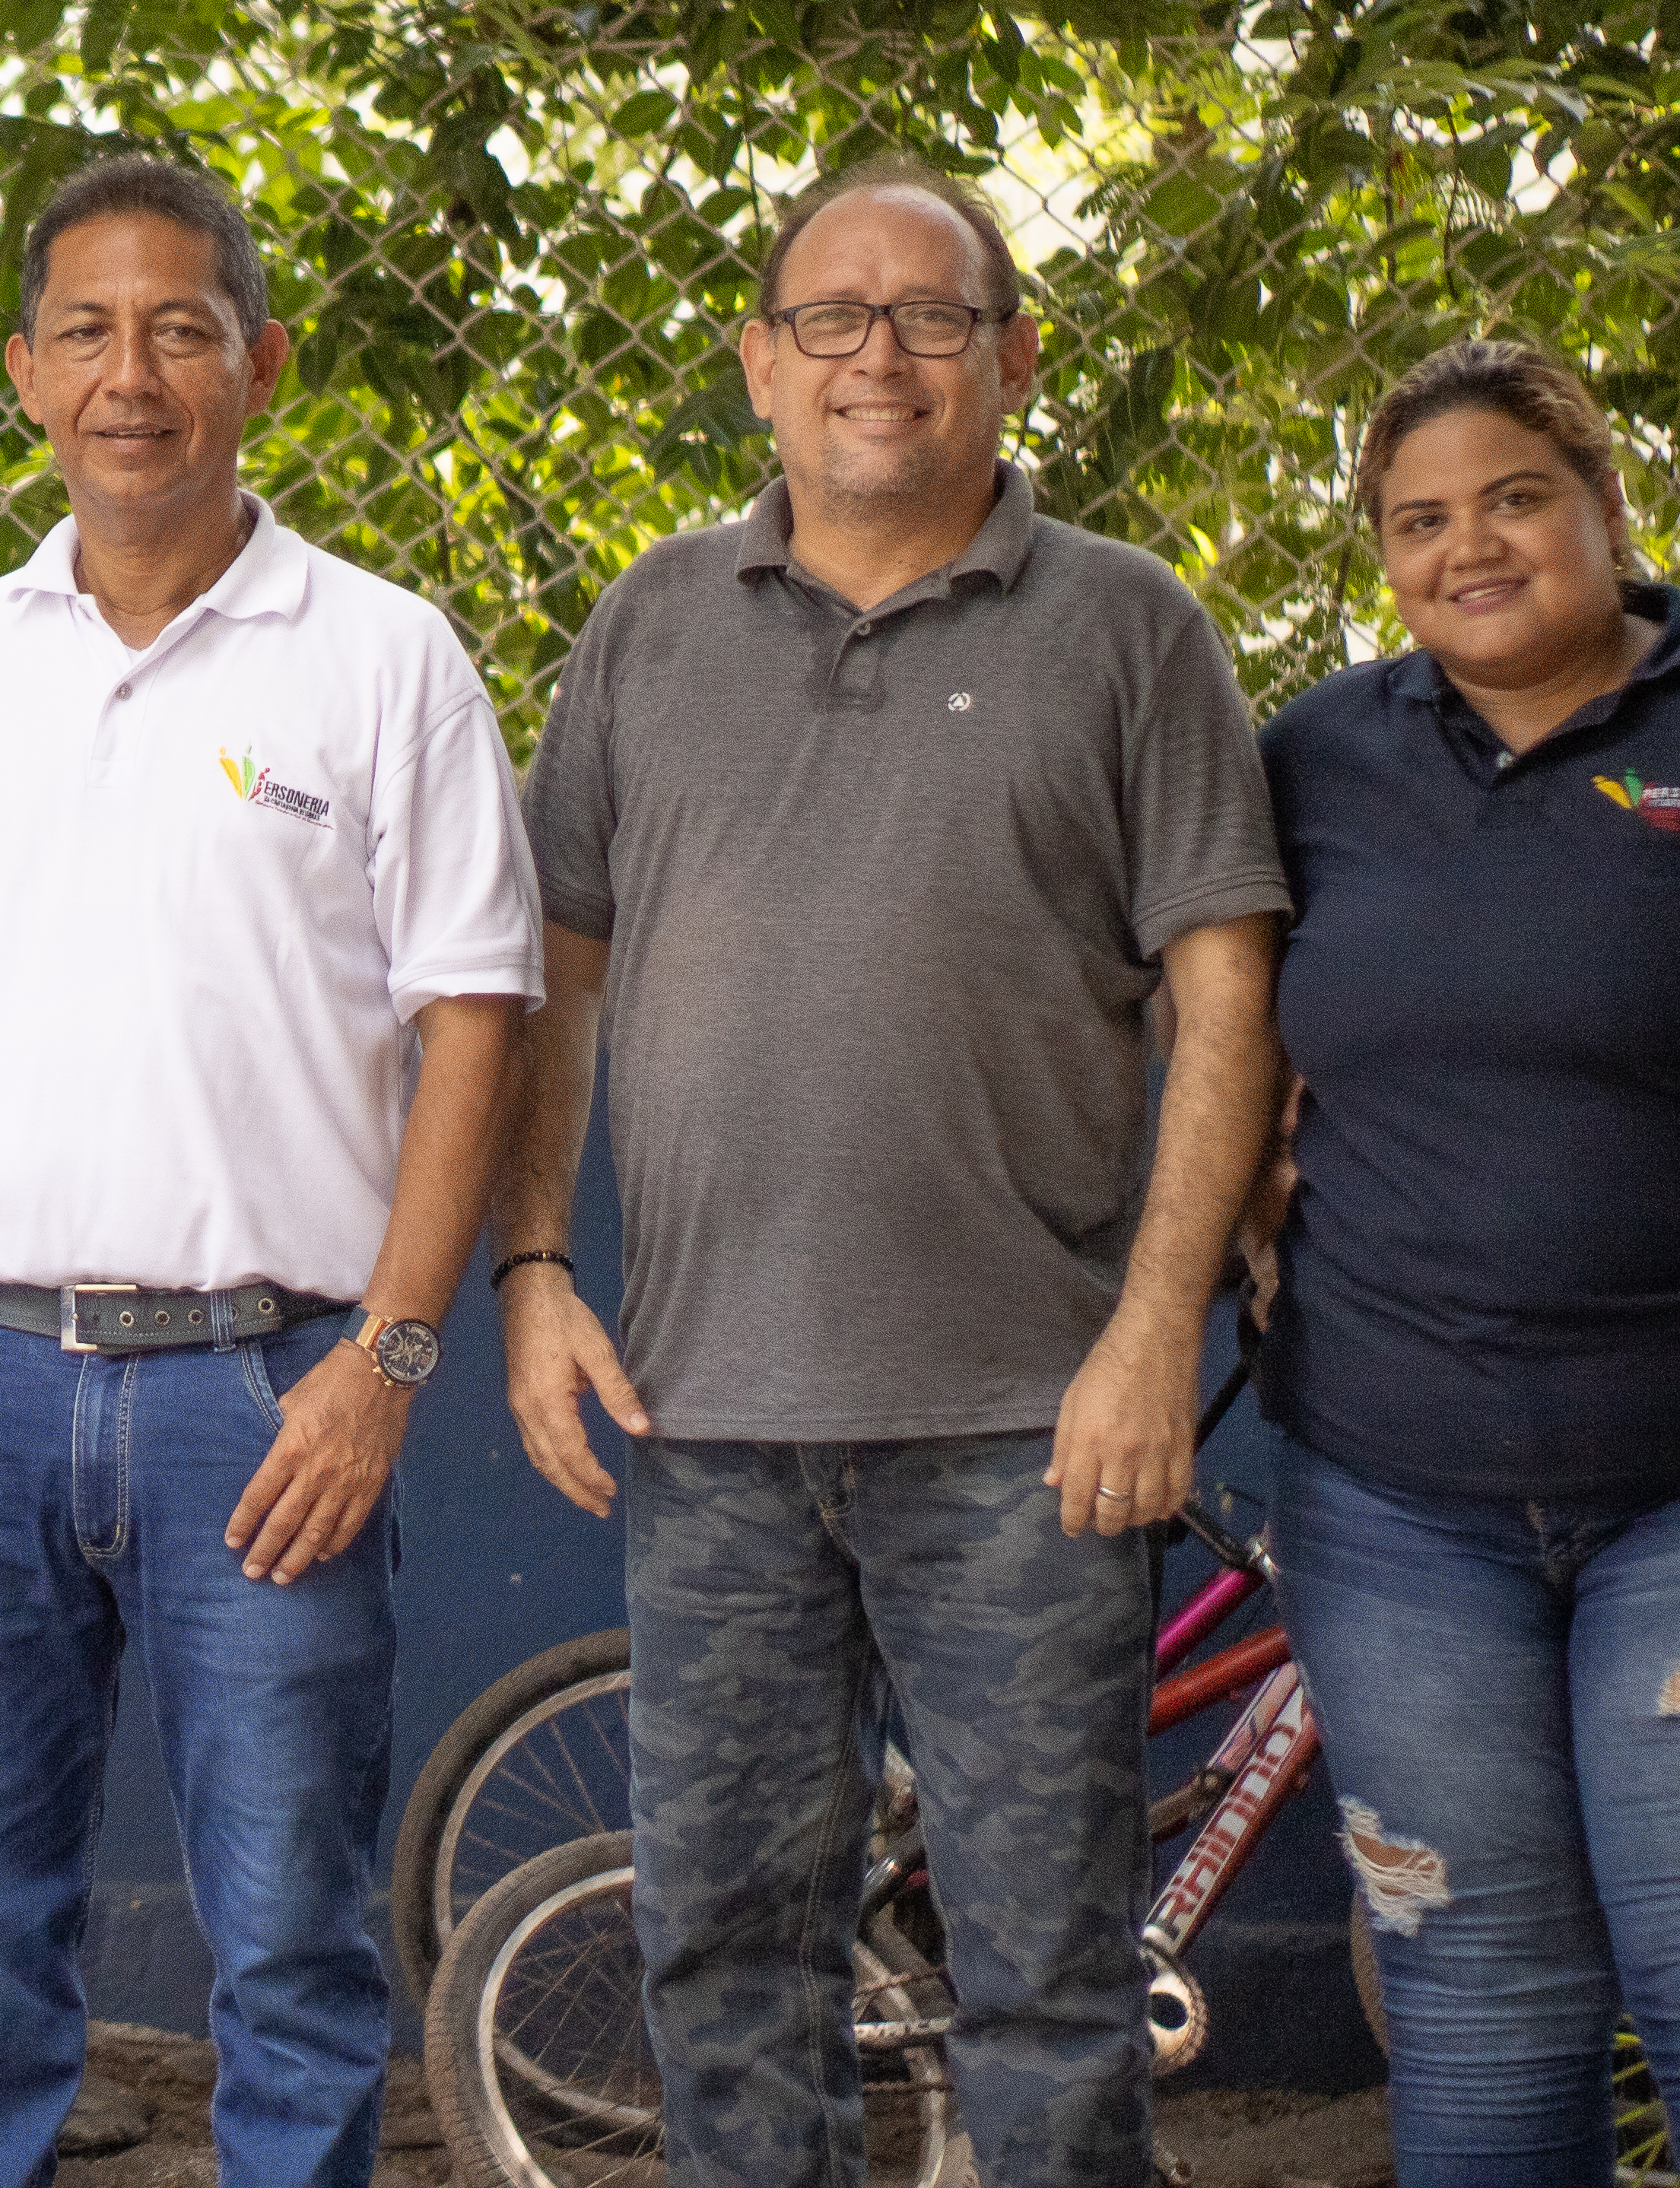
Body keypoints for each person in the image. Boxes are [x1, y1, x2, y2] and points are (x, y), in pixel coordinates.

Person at [495, 158, 1288, 2188]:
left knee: (1044, 1986)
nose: (879, 355)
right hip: (708, 1426)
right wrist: (530, 1271)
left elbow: (1227, 1003)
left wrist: (1143, 1342)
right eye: (830, 317)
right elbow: (555, 982)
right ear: (762, 366)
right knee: (728, 1971)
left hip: (1023, 1438)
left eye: (930, 315)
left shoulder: (1130, 629)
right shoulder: (652, 622)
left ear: (1011, 359)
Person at [0, 151, 539, 2188]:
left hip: (266, 1401)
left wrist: (386, 1358)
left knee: (293, 1946)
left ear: (262, 365)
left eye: (183, 329)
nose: (137, 375)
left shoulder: (382, 661)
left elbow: (478, 1012)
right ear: (27, 373)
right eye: (92, 333)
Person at [1252, 338, 1677, 2188]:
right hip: (1394, 1493)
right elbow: (1220, 1032)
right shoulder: (1320, 756)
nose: (1470, 547)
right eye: (1419, 521)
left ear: (1607, 503)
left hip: (1672, 1484)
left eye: (1514, 495)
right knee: (1482, 2000)